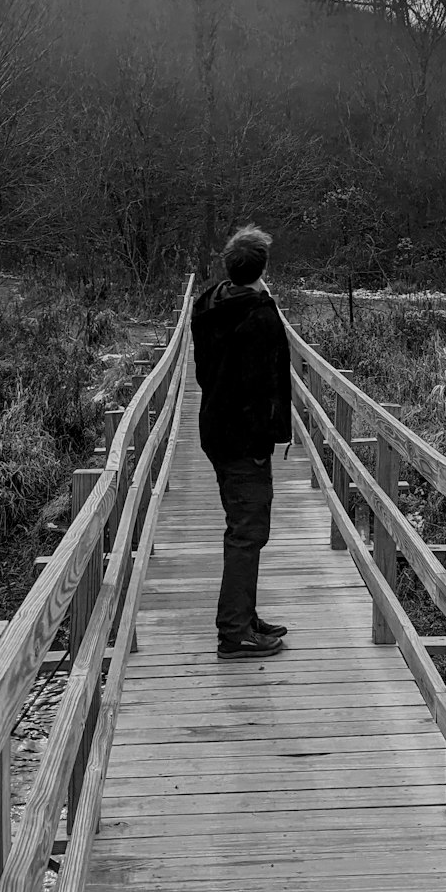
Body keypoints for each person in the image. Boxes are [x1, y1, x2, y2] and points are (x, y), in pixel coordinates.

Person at [191, 225, 292, 659]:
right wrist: (264, 440)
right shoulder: (260, 316)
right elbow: (264, 384)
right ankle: (234, 631)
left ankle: (244, 614)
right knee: (247, 532)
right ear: (262, 269)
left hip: (216, 429)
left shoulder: (207, 305)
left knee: (243, 527)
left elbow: (203, 372)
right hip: (243, 440)